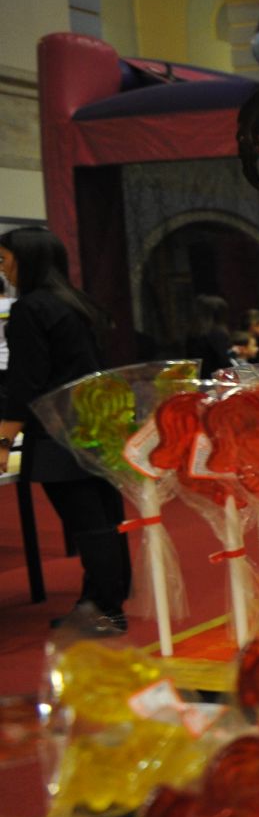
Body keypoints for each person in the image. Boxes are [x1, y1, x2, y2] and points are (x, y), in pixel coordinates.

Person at [0, 226, 132, 635]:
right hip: (95, 421)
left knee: (89, 523)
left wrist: (4, 439)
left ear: (27, 260)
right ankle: (102, 603)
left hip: (59, 431)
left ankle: (104, 610)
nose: (3, 269)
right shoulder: (74, 303)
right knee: (106, 519)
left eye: (5, 260)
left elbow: (26, 381)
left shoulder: (30, 309)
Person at [183, 294, 235, 379]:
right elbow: (223, 362)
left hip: (198, 378)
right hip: (215, 379)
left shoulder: (193, 333)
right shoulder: (218, 333)